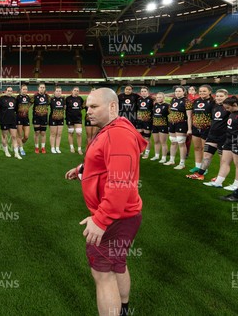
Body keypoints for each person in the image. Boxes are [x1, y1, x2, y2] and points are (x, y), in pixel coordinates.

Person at [65, 88, 146, 316]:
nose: (87, 111)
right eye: (87, 107)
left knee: (103, 275)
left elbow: (120, 184)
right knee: (117, 265)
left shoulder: (117, 134)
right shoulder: (112, 129)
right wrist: (83, 170)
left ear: (112, 107)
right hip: (124, 215)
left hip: (115, 218)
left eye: (93, 107)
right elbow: (105, 162)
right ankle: (124, 310)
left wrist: (101, 220)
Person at [186, 88, 229, 180]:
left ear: (226, 97)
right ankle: (200, 174)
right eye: (217, 96)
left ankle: (219, 177)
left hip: (223, 137)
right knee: (206, 155)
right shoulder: (214, 106)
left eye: (221, 96)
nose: (219, 98)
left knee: (223, 159)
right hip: (212, 135)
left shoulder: (229, 107)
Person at [210, 96, 238, 194]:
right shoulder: (232, 113)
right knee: (225, 161)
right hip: (228, 139)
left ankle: (236, 184)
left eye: (228, 108)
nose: (226, 110)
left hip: (237, 141)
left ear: (234, 105)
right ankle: (218, 182)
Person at [164, 86, 192, 169]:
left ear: (184, 92)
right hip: (172, 124)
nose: (177, 92)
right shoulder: (173, 100)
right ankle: (172, 160)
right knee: (173, 142)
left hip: (181, 124)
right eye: (176, 91)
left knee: (181, 142)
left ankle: (182, 163)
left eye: (179, 91)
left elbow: (189, 116)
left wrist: (189, 129)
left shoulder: (187, 101)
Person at [188, 85, 215, 174]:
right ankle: (197, 166)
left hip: (207, 129)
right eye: (200, 91)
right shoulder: (196, 101)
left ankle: (204, 168)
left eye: (204, 91)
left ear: (210, 92)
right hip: (196, 128)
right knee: (197, 147)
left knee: (205, 149)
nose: (202, 93)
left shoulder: (213, 102)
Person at [0, 86, 22, 159]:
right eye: (8, 90)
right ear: (5, 91)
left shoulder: (14, 99)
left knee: (14, 136)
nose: (10, 92)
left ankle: (16, 153)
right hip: (4, 121)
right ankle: (6, 151)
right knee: (5, 136)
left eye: (11, 90)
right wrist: (3, 114)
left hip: (13, 120)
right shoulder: (1, 99)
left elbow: (16, 109)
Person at [65, 86, 85, 154]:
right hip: (70, 118)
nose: (76, 92)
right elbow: (65, 108)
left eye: (77, 91)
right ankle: (72, 147)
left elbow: (82, 106)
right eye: (75, 90)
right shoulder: (67, 99)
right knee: (71, 132)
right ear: (72, 91)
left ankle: (79, 149)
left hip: (78, 118)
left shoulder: (80, 99)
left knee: (79, 133)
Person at [150, 92, 169, 163]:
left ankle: (164, 157)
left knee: (163, 142)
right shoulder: (155, 105)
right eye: (157, 97)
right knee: (156, 141)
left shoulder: (167, 106)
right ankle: (156, 155)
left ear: (163, 98)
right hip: (155, 125)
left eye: (160, 97)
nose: (158, 98)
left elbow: (170, 116)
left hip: (163, 125)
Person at [136, 86, 153, 159]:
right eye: (142, 91)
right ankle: (141, 151)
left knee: (147, 138)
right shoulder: (139, 100)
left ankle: (147, 153)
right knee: (140, 137)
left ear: (148, 92)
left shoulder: (151, 100)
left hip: (147, 121)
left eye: (145, 91)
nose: (143, 92)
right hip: (139, 121)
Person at [32, 83, 50, 153]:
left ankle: (43, 147)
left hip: (44, 117)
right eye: (41, 87)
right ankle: (36, 147)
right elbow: (29, 104)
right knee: (37, 132)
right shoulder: (35, 96)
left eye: (43, 87)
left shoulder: (47, 97)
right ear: (38, 88)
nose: (42, 88)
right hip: (36, 117)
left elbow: (50, 103)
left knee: (43, 132)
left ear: (45, 88)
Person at [15, 84, 32, 155]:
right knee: (19, 135)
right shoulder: (17, 98)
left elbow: (29, 105)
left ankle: (19, 144)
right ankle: (21, 149)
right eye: (23, 89)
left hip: (26, 119)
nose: (25, 90)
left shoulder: (28, 97)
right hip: (18, 118)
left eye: (26, 89)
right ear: (21, 90)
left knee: (26, 136)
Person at [49, 86, 65, 154]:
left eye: (60, 91)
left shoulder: (63, 100)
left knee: (59, 134)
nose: (58, 92)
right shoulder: (51, 99)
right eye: (57, 91)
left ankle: (57, 148)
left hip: (61, 119)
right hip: (53, 119)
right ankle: (52, 148)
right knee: (53, 134)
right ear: (54, 92)